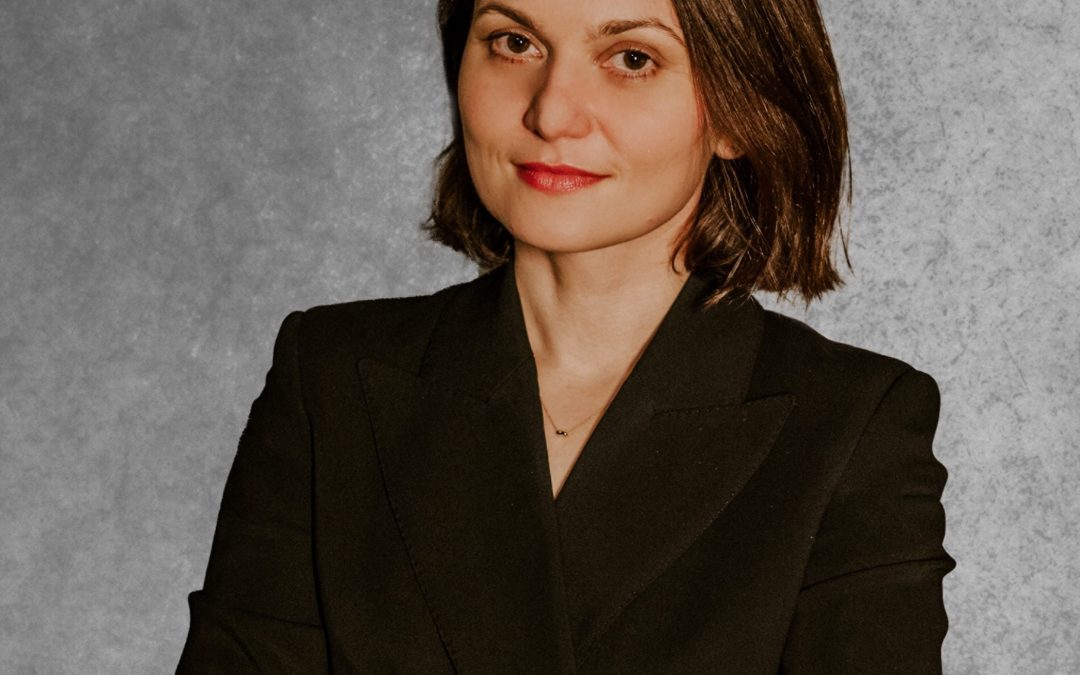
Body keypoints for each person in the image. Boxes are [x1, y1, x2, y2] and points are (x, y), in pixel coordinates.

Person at [177, 0, 955, 672]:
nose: (551, 112)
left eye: (631, 58)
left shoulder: (853, 425)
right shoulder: (329, 376)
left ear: (740, 108)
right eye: (514, 42)